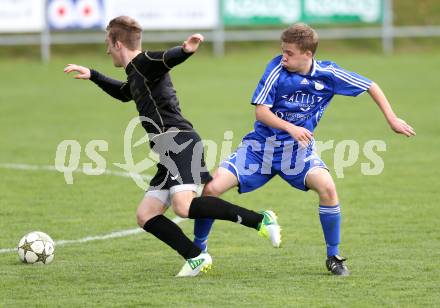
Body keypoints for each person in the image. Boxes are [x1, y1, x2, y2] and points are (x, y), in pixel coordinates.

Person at [64, 16, 281, 277]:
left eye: (108, 44)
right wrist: (94, 75)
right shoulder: (136, 73)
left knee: (184, 206)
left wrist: (185, 50)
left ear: (118, 43)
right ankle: (196, 257)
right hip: (168, 152)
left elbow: (165, 58)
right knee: (146, 215)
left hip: (180, 143)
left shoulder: (143, 63)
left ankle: (260, 220)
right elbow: (124, 93)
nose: (106, 49)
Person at [193, 23, 416, 276]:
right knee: (211, 189)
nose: (283, 57)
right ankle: (198, 252)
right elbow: (261, 111)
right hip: (259, 150)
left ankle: (334, 256)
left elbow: (370, 85)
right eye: (282, 51)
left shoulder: (328, 74)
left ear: (307, 54)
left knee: (328, 187)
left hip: (297, 153)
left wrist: (392, 119)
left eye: (289, 53)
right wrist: (290, 127)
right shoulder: (276, 69)